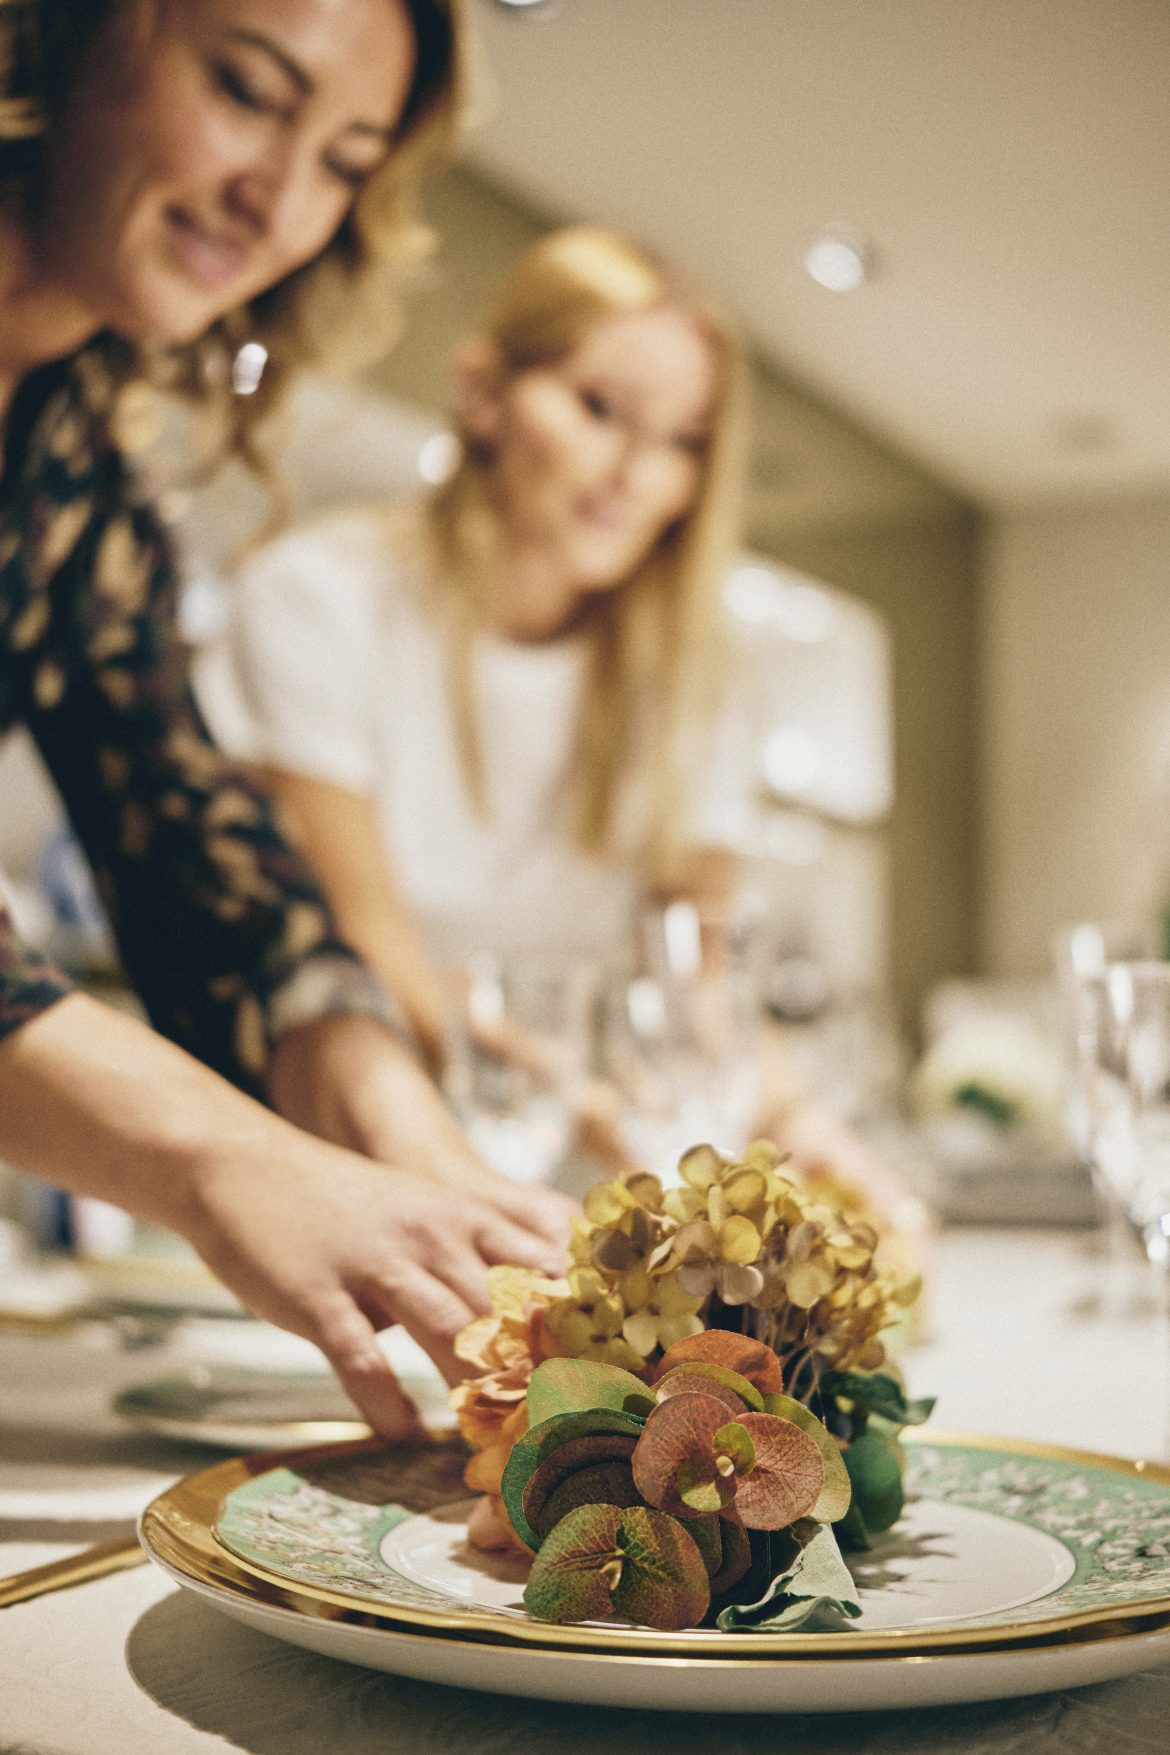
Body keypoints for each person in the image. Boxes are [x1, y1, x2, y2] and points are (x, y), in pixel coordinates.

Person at [0, 0, 572, 1439]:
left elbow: (194, 843)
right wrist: (226, 1158)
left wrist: (396, 1120)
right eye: (249, 90)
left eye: (345, 159)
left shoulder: (73, 463)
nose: (278, 200)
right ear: (57, 35)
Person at [202, 225, 927, 1232]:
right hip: (352, 1167)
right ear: (483, 391)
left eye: (684, 442)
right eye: (601, 410)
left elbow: (695, 987)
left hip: (576, 1195)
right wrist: (570, 1103)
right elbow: (362, 937)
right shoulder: (320, 598)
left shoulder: (698, 677)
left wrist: (815, 1138)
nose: (638, 470)